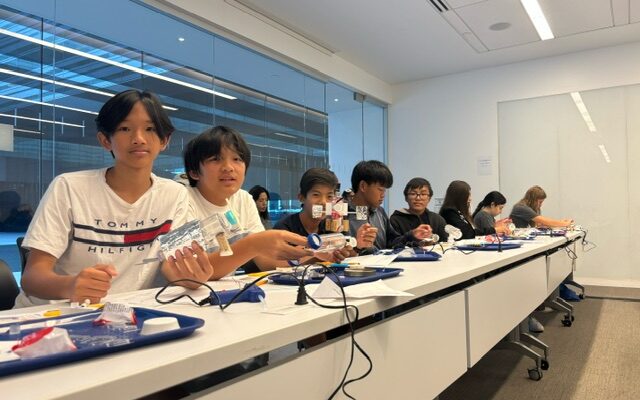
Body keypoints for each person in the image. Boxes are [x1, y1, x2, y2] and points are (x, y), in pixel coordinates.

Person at [16, 90, 213, 307]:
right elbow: (32, 277)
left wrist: (193, 276)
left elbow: (173, 268)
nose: (138, 138)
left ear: (164, 140)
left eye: (150, 129)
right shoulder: (68, 187)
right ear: (105, 140)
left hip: (123, 314)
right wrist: (70, 286)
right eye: (124, 129)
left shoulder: (175, 194)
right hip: (49, 315)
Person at [183, 126, 311, 278]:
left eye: (237, 159)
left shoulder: (243, 199)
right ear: (194, 172)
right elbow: (191, 272)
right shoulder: (182, 200)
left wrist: (315, 254)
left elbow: (264, 261)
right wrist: (253, 245)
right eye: (216, 159)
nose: (229, 167)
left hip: (222, 294)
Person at [274, 168, 372, 263]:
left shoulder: (332, 226)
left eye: (329, 196)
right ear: (302, 197)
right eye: (316, 195)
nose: (324, 202)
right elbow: (272, 264)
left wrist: (358, 245)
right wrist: (316, 254)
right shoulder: (284, 228)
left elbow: (344, 255)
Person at [347, 160, 433, 254]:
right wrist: (357, 247)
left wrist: (412, 235)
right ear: (363, 186)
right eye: (380, 189)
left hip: (381, 266)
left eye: (385, 190)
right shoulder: (343, 215)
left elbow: (392, 243)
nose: (383, 195)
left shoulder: (378, 211)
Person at [439, 181, 510, 239]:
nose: (470, 199)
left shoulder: (458, 212)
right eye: (468, 195)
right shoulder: (449, 212)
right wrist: (495, 229)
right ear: (460, 197)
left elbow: (470, 231)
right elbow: (468, 233)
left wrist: (495, 226)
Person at [390, 177, 448, 242]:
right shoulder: (396, 219)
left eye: (423, 194)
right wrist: (411, 235)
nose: (418, 198)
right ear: (406, 198)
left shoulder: (438, 220)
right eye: (413, 194)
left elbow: (446, 244)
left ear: (429, 198)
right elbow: (391, 244)